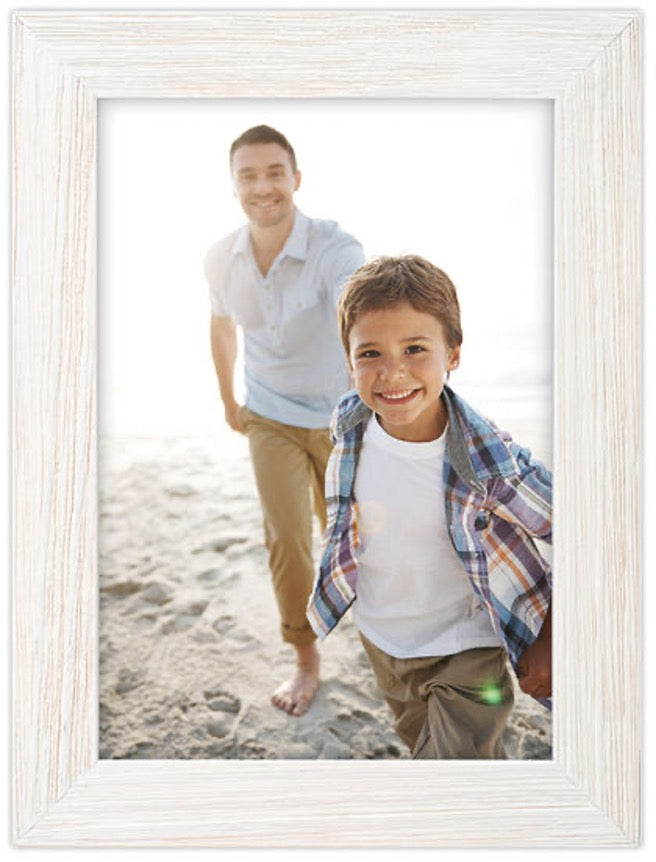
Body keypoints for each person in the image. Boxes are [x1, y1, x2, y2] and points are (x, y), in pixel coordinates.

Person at [306, 255, 552, 758]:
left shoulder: (492, 463)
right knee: (435, 750)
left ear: (453, 354)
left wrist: (554, 632)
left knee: (452, 773)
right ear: (349, 361)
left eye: (415, 348)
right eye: (370, 353)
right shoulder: (350, 425)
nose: (392, 372)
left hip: (466, 649)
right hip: (383, 638)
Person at [205, 125, 365, 716]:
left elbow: (357, 308)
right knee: (288, 539)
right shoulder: (221, 257)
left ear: (295, 179)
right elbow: (221, 327)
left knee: (351, 537)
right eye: (248, 175)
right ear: (234, 186)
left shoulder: (334, 248)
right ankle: (305, 659)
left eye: (275, 172)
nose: (263, 186)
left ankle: (382, 638)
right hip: (268, 412)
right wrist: (228, 401)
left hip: (339, 417)